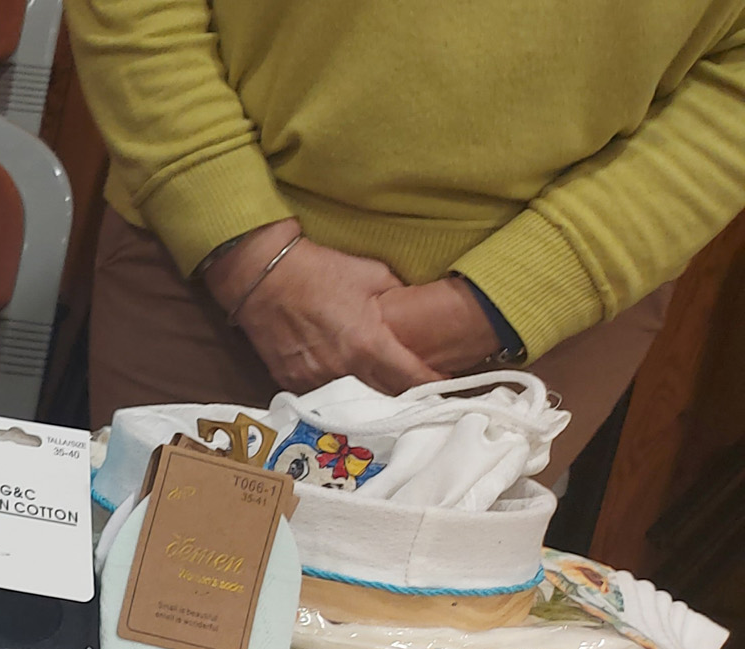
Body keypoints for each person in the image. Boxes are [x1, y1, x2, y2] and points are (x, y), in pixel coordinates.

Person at [72, 0, 745, 485]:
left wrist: (516, 295)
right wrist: (250, 255)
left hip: (559, 311)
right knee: (158, 604)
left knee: (422, 636)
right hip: (209, 264)